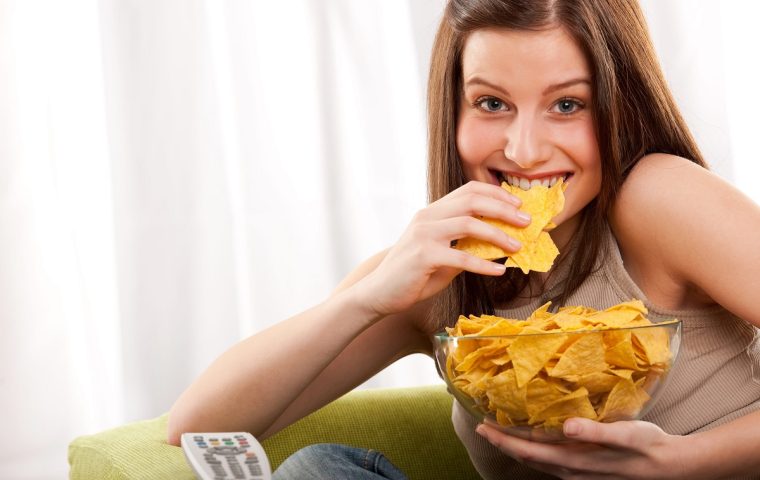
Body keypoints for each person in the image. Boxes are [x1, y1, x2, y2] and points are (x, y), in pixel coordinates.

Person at [167, 0, 760, 478]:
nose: (524, 150)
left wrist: (684, 462)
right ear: (452, 110)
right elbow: (196, 427)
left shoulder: (657, 200)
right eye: (492, 103)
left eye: (567, 104)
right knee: (318, 470)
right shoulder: (433, 281)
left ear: (617, 105)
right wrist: (368, 298)